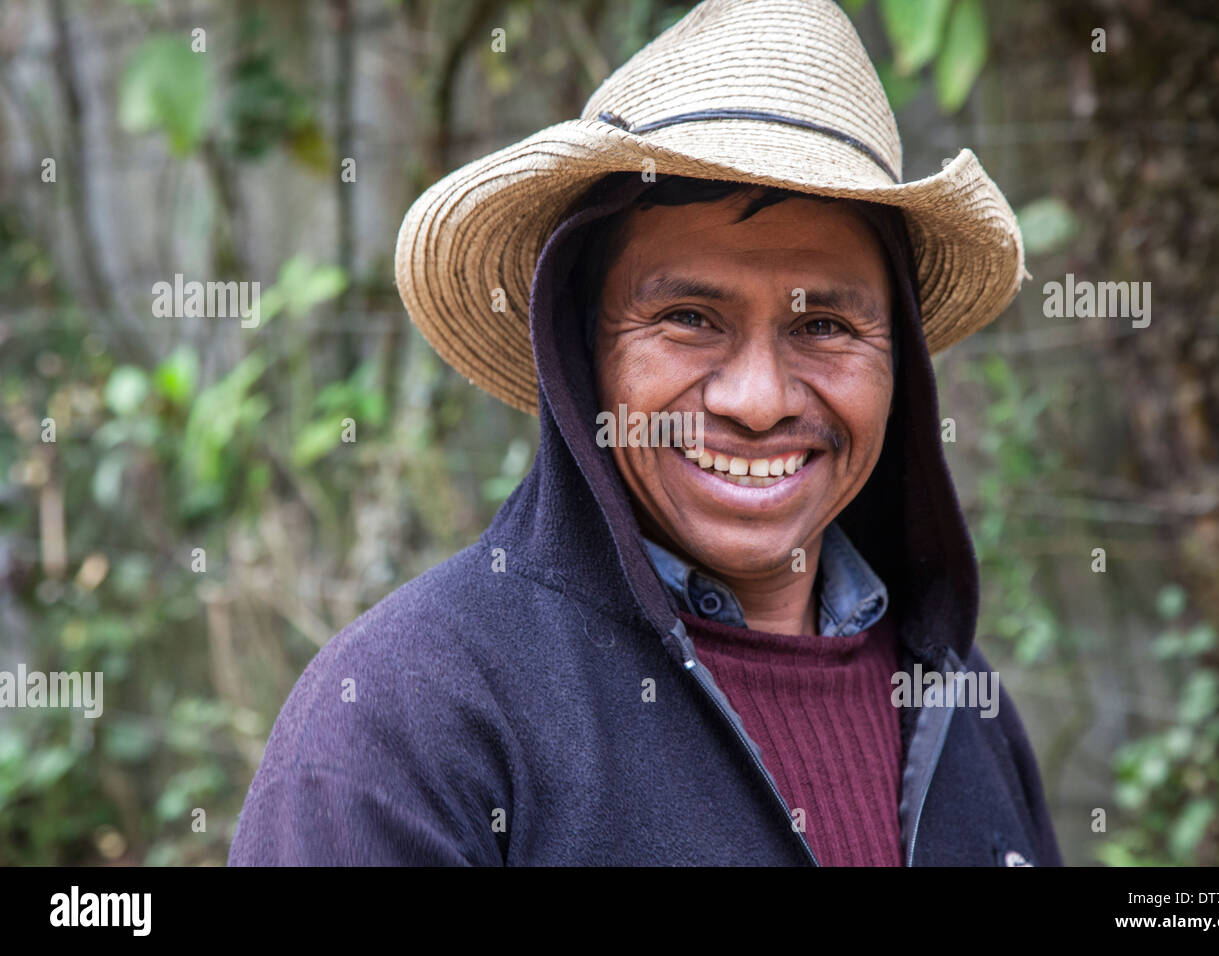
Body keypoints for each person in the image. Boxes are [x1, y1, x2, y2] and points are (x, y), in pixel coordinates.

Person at [229, 0, 1063, 866]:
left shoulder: (957, 704)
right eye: (690, 317)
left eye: (825, 328)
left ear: (902, 369)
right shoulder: (406, 719)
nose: (758, 399)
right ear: (579, 351)